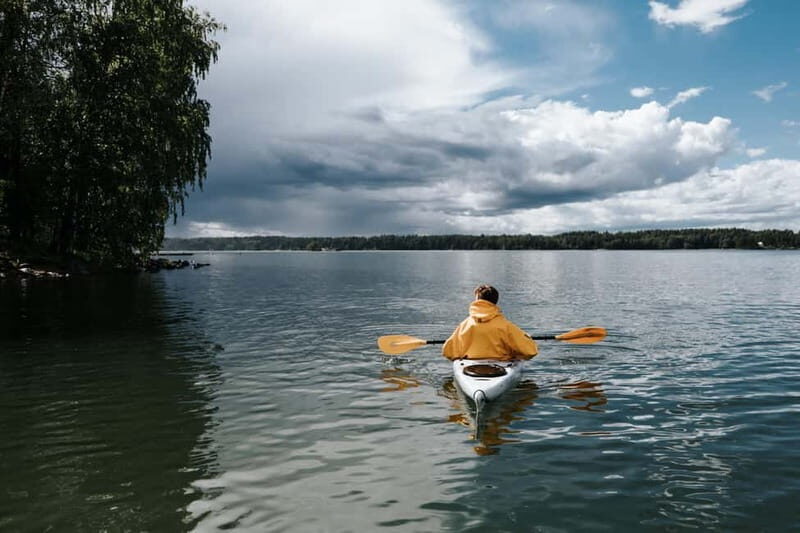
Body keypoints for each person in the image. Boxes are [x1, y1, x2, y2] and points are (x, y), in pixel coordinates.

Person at [442, 284, 538, 360]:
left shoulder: (465, 325)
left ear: (477, 301)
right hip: (500, 363)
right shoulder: (505, 326)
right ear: (495, 301)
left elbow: (447, 351)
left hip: (469, 364)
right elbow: (530, 351)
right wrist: (519, 351)